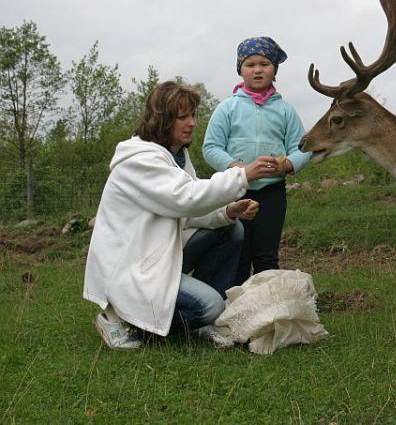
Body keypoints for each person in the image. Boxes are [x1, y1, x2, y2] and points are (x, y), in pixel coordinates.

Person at [83, 81, 281, 350]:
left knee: (231, 230)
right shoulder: (139, 160)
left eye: (192, 115)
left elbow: (184, 212)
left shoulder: (175, 155)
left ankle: (199, 321)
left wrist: (226, 212)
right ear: (162, 120)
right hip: (132, 267)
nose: (192, 123)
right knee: (209, 306)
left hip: (155, 254)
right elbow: (186, 197)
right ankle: (121, 320)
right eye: (182, 117)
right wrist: (244, 175)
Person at [203, 37, 311, 283]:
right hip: (234, 192)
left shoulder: (285, 110)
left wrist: (288, 164)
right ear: (240, 69)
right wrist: (239, 170)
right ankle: (236, 312)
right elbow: (211, 147)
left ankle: (266, 312)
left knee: (266, 257)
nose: (258, 69)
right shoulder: (227, 108)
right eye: (250, 64)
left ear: (275, 69)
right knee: (237, 255)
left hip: (272, 193)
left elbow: (303, 149)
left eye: (264, 63)